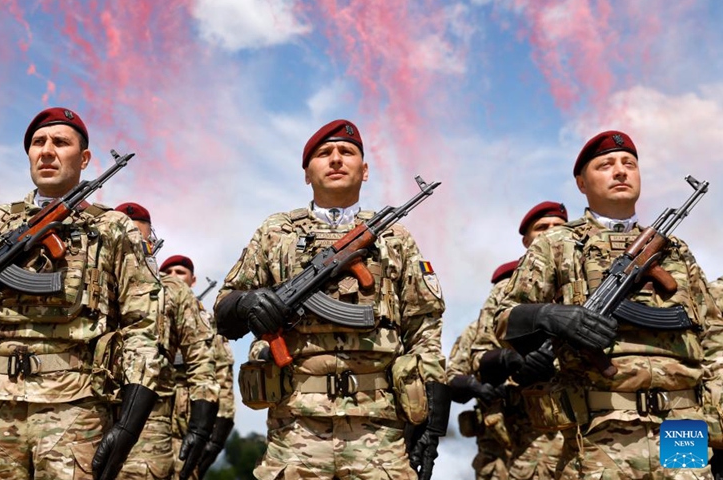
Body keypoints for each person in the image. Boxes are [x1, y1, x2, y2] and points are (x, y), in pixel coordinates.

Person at [0, 107, 164, 480]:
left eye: (60, 142)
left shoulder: (112, 228)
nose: (47, 151)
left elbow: (144, 327)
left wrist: (129, 423)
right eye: (38, 143)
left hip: (77, 409)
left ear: (84, 159)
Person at [214, 119, 449, 479]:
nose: (336, 159)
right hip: (295, 426)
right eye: (324, 154)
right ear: (307, 173)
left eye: (347, 152)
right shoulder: (276, 233)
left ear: (365, 170)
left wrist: (430, 424)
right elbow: (224, 309)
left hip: (381, 427)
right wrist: (249, 304)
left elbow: (425, 328)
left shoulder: (395, 238)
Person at [493, 130, 723, 478]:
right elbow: (504, 321)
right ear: (581, 183)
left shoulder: (675, 249)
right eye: (606, 165)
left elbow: (713, 335)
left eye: (629, 164)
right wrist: (549, 315)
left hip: (683, 425)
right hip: (603, 426)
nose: (620, 171)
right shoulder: (557, 245)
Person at [448, 201, 568, 480]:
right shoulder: (500, 301)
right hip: (516, 437)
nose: (550, 233)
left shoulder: (588, 283)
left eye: (558, 227)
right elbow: (469, 364)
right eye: (542, 228)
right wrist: (508, 363)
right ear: (526, 242)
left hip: (588, 429)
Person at [114, 205, 219, 480]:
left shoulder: (173, 290)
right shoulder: (90, 283)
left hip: (150, 423)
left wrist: (201, 425)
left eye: (139, 240)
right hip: (87, 413)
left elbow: (202, 357)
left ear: (152, 243)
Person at [160, 255, 235, 480]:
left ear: (193, 280)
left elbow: (223, 380)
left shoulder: (209, 326)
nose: (173, 277)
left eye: (180, 272)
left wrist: (216, 440)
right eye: (168, 272)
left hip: (189, 429)